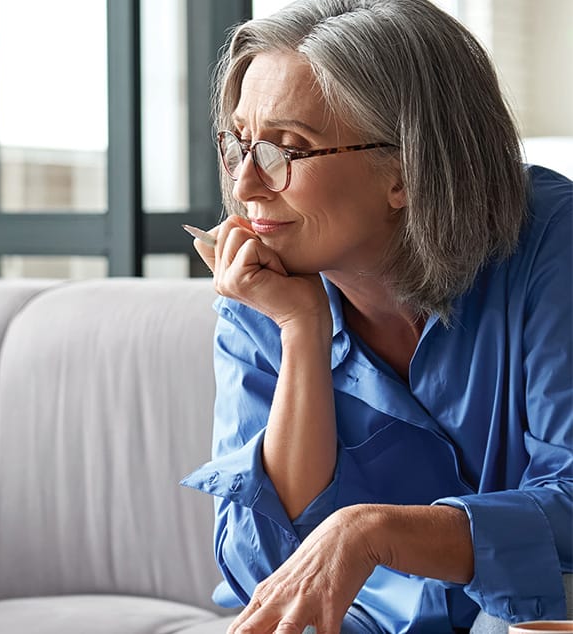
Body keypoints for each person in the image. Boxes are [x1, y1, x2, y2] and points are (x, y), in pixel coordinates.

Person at [179, 0, 571, 632]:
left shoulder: (554, 244)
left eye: (286, 148)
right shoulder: (263, 292)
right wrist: (302, 333)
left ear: (407, 169)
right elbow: (268, 573)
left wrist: (374, 530)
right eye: (238, 143)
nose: (246, 185)